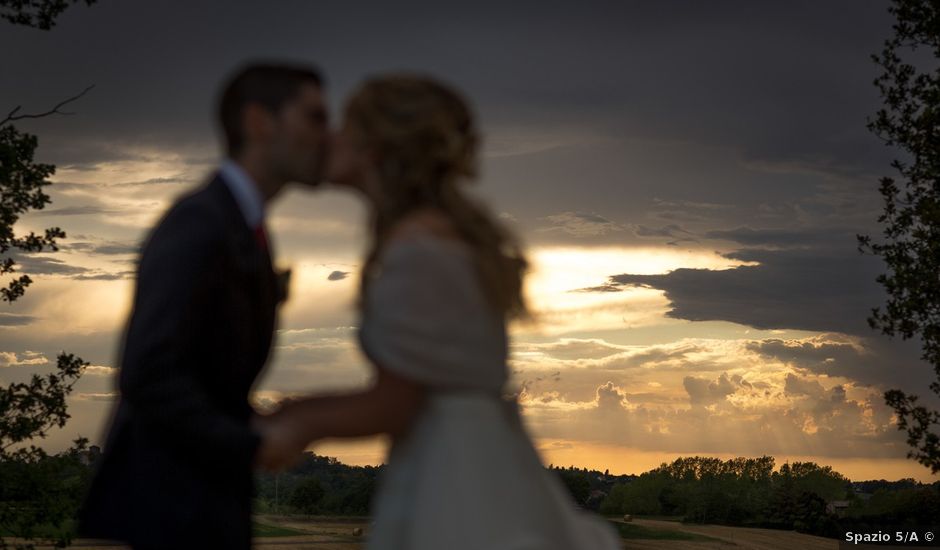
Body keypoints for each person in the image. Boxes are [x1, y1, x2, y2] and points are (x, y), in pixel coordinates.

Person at [263, 74, 620, 549]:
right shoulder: (438, 236)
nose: (331, 137)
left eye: (346, 126)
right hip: (479, 457)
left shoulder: (418, 250)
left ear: (376, 148)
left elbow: (398, 399)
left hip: (453, 474)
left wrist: (297, 421)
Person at [79, 63, 328, 549]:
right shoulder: (199, 222)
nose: (327, 134)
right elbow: (148, 374)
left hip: (204, 508)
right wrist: (251, 443)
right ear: (259, 122)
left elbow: (202, 374)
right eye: (315, 117)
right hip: (173, 514)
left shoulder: (242, 227)